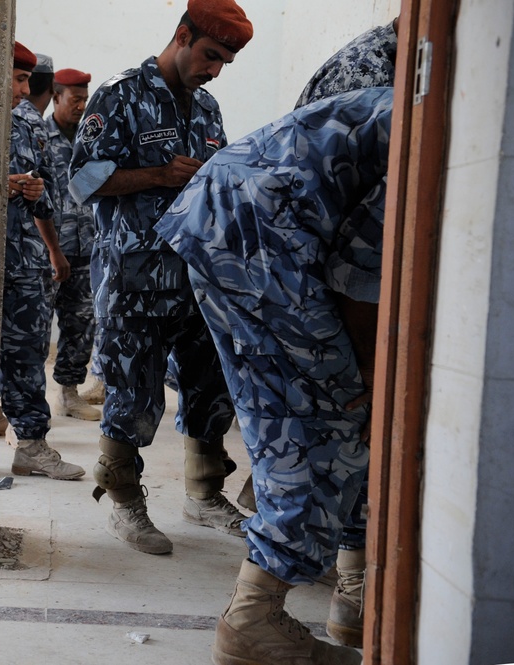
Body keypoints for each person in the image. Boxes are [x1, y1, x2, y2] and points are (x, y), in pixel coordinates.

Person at [155, 86, 394, 665]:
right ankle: (254, 620)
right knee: (329, 416)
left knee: (292, 409)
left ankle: (352, 598)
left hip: (224, 216)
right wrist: (366, 373)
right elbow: (361, 268)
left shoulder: (426, 100)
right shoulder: (448, 126)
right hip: (263, 234)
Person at [68, 0, 254, 555]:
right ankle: (124, 501)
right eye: (209, 55)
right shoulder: (119, 95)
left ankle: (204, 492)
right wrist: (157, 175)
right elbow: (80, 182)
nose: (214, 69)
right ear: (181, 35)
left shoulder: (208, 109)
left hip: (197, 278)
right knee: (132, 390)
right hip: (134, 276)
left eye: (224, 62)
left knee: (209, 384)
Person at [291, 18, 399, 649]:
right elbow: (357, 247)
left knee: (345, 421)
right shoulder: (374, 76)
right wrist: (358, 359)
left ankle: (345, 586)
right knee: (350, 413)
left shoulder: (388, 66)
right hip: (309, 267)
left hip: (320, 264)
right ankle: (338, 591)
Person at [1, 42, 84, 480]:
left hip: (27, 260)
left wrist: (52, 247)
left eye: (26, 81)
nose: (24, 89)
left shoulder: (28, 124)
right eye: (17, 79)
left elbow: (47, 192)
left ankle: (31, 445)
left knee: (28, 353)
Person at [44, 68, 102, 422]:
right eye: (74, 99)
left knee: (81, 323)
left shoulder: (91, 138)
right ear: (56, 98)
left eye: (85, 99)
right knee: (36, 329)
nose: (81, 106)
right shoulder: (39, 136)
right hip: (48, 248)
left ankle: (68, 392)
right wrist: (50, 248)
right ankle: (26, 399)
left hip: (87, 248)